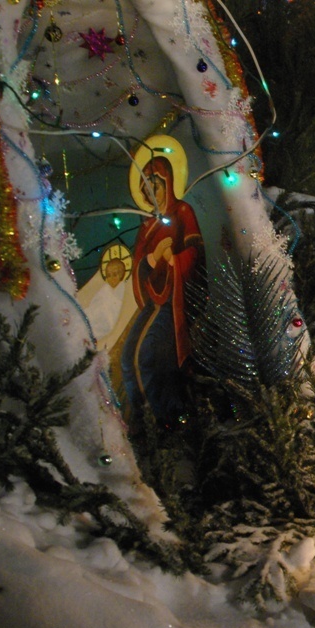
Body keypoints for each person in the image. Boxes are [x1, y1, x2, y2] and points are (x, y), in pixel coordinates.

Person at [122, 156, 205, 429]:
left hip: (174, 304)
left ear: (167, 184)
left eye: (154, 188)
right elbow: (139, 264)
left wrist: (172, 259)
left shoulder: (182, 213)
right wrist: (154, 257)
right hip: (154, 302)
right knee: (130, 358)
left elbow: (195, 252)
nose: (150, 195)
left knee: (146, 358)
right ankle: (145, 419)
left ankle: (162, 421)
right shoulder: (148, 226)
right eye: (146, 191)